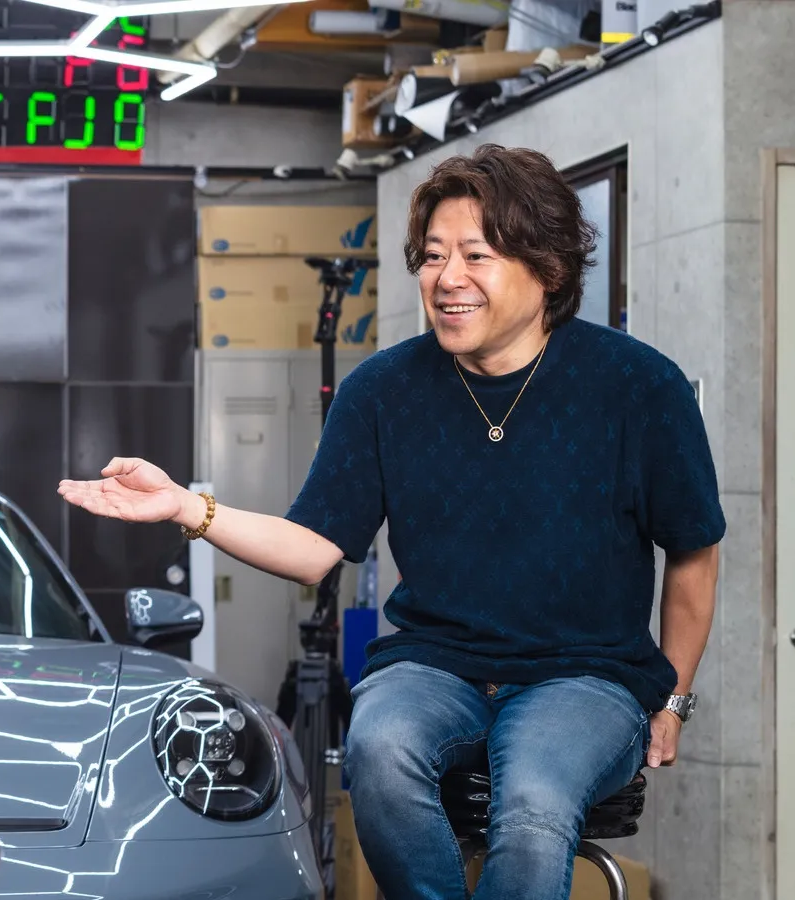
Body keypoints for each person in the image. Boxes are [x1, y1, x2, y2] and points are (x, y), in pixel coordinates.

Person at [59, 143, 723, 900]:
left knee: (534, 792)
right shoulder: (382, 390)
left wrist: (674, 701)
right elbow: (313, 548)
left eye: (475, 255)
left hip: (587, 675)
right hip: (437, 665)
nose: (447, 278)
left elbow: (694, 554)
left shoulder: (639, 386)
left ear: (548, 269)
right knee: (377, 749)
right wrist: (187, 507)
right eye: (434, 256)